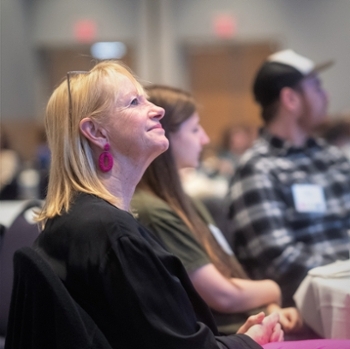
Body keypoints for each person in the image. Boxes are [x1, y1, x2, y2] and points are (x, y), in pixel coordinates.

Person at [32, 61, 283, 349]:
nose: (157, 110)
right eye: (134, 102)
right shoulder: (112, 234)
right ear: (97, 132)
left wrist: (236, 340)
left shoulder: (79, 222)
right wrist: (247, 343)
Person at [131, 85, 302, 336]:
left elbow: (228, 268)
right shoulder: (153, 211)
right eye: (194, 129)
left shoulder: (186, 201)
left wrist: (270, 307)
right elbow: (223, 295)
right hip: (223, 337)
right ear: (165, 134)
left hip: (243, 330)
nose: (205, 139)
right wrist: (273, 290)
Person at [225, 49, 350, 307]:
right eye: (316, 87)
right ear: (291, 99)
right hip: (305, 309)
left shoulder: (333, 158)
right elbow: (280, 262)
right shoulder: (258, 168)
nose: (326, 96)